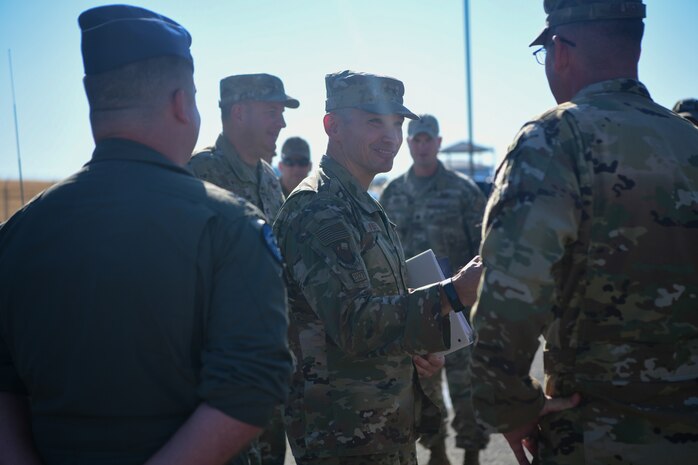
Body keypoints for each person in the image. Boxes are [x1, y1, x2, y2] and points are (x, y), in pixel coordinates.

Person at [0, 5, 292, 465]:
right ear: (181, 103)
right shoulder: (229, 225)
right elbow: (251, 385)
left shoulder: (17, 234)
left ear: (94, 99)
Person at [469, 1, 698, 464]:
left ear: (560, 51)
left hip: (593, 437)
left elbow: (508, 301)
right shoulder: (690, 141)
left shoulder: (555, 139)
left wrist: (512, 409)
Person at [273, 70, 484, 465]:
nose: (390, 136)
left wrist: (415, 349)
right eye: (374, 122)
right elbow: (354, 322)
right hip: (344, 434)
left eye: (397, 124)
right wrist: (452, 293)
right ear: (332, 125)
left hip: (379, 425)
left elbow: (377, 307)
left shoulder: (362, 204)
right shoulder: (319, 209)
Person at [380, 114, 488, 465]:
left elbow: (484, 252)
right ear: (408, 143)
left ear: (438, 143)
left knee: (466, 387)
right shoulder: (393, 192)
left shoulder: (463, 191)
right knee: (425, 387)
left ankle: (471, 452)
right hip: (416, 312)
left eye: (428, 139)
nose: (422, 145)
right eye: (416, 139)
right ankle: (437, 450)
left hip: (461, 309)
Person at [188, 73, 298, 221]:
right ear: (239, 114)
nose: (282, 123)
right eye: (272, 112)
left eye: (281, 113)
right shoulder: (196, 172)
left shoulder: (269, 177)